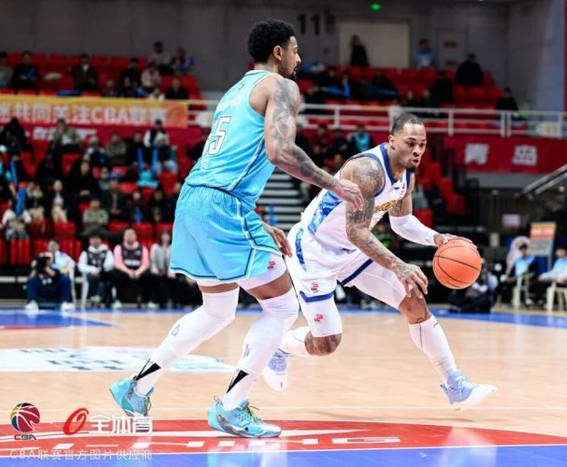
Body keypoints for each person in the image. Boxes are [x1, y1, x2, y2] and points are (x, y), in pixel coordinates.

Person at [109, 19, 362, 438]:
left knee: (217, 310)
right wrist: (333, 183)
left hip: (195, 199)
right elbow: (279, 151)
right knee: (283, 308)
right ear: (278, 52)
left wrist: (255, 220)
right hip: (222, 205)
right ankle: (231, 407)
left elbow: (230, 162)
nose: (299, 58)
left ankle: (137, 388)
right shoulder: (282, 87)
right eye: (295, 50)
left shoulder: (234, 92)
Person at [262, 113, 496, 408]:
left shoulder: (407, 174)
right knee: (327, 343)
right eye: (410, 143)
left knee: (415, 303)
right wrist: (399, 265)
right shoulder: (367, 171)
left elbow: (402, 223)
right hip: (315, 250)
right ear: (391, 141)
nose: (417, 151)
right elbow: (356, 232)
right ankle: (280, 348)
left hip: (352, 251)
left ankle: (455, 385)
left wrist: (437, 238)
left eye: (422, 145)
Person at [110, 227, 153, 308]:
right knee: (117, 275)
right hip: (125, 270)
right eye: (127, 235)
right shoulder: (119, 248)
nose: (130, 236)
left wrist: (137, 272)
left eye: (132, 234)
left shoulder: (142, 248)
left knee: (148, 275)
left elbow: (146, 264)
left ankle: (148, 301)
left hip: (138, 270)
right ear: (124, 237)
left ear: (135, 236)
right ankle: (118, 300)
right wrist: (129, 272)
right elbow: (118, 264)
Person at [77, 233, 114, 306]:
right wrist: (91, 269)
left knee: (110, 277)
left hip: (104, 274)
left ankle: (107, 299)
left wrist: (99, 270)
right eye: (93, 239)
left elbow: (110, 263)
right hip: (90, 274)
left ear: (100, 240)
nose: (95, 240)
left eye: (97, 238)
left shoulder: (107, 252)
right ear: (89, 241)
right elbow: (80, 265)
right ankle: (93, 297)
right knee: (93, 277)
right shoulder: (85, 252)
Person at [150, 229, 175, 308]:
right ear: (160, 236)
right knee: (155, 278)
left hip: (169, 271)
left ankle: (170, 300)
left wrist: (170, 272)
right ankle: (154, 300)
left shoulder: (173, 247)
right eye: (163, 235)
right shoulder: (155, 247)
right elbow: (153, 261)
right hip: (157, 271)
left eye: (167, 235)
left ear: (170, 237)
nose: (165, 237)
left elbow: (174, 261)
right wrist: (157, 272)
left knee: (173, 279)